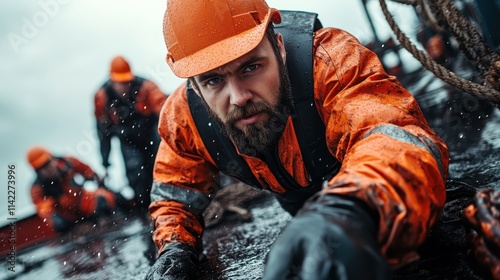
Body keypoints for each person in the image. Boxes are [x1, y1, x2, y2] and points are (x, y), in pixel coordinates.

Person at [146, 0, 449, 279]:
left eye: (251, 67)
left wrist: (354, 207)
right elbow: (175, 196)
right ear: (196, 90)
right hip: (297, 200)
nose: (238, 98)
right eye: (213, 80)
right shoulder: (184, 119)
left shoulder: (330, 62)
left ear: (279, 47)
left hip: (362, 185)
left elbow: (392, 135)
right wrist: (175, 249)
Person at [94, 55, 167, 209]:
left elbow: (164, 111)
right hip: (127, 141)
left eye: (126, 81)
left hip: (151, 134)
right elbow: (103, 133)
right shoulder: (102, 98)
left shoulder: (146, 87)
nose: (124, 86)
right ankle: (146, 209)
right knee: (136, 173)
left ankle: (168, 200)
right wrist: (105, 162)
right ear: (111, 80)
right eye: (120, 83)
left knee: (161, 165)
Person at [27, 146, 126, 233]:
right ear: (37, 171)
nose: (47, 168)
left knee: (103, 198)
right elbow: (45, 211)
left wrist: (96, 178)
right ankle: (76, 232)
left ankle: (105, 221)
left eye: (47, 163)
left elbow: (87, 171)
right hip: (70, 216)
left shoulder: (68, 162)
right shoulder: (37, 189)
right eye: (41, 168)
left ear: (53, 158)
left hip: (84, 203)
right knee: (57, 222)